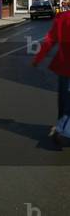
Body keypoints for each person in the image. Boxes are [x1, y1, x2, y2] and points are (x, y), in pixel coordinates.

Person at [32, 10, 70, 144]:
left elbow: (50, 41)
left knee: (65, 101)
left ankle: (61, 130)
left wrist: (38, 59)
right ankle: (62, 129)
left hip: (66, 68)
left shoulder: (64, 18)